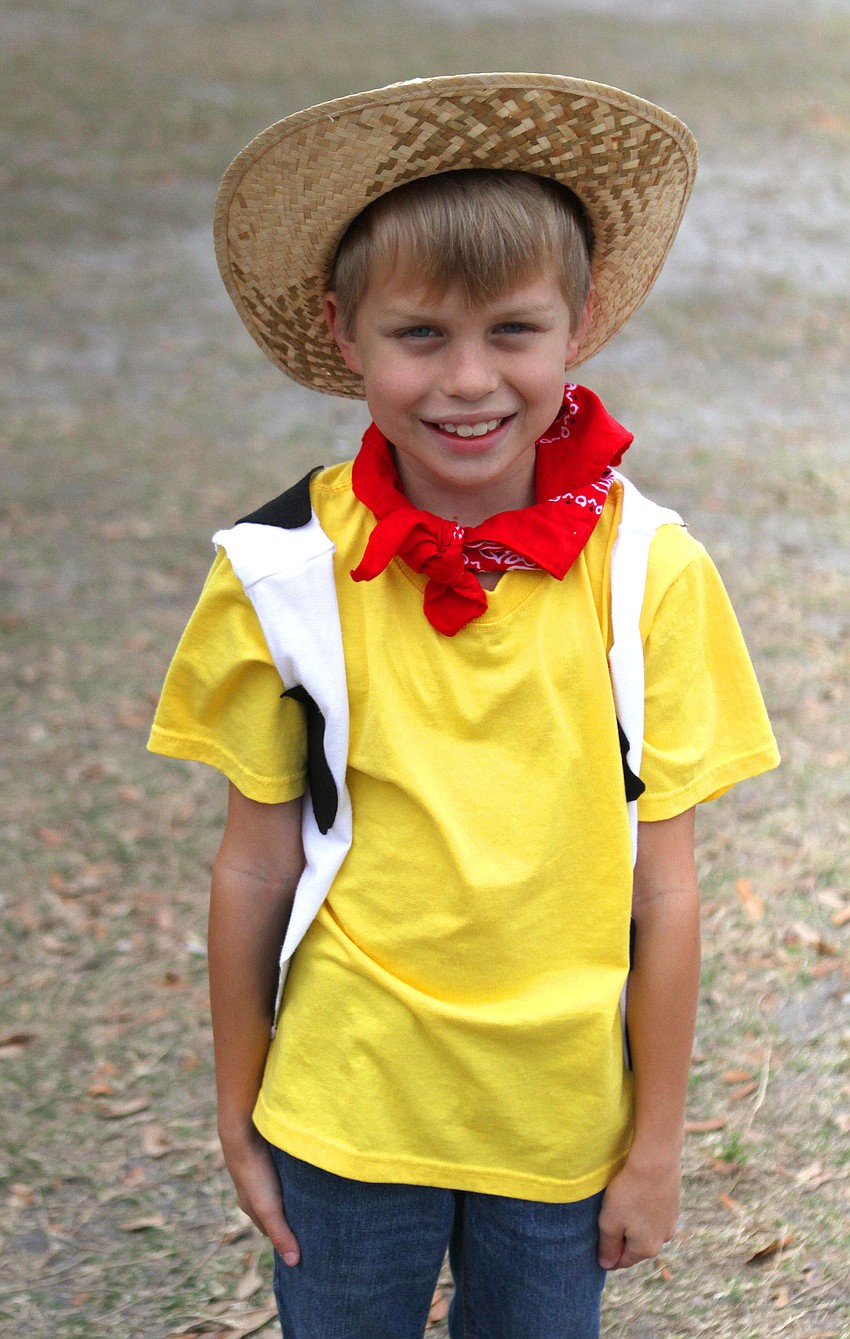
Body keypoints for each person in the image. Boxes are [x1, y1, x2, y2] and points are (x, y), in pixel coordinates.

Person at [148, 74, 780, 1338]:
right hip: (345, 1100)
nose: (469, 380)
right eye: (419, 335)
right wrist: (237, 1105)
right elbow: (251, 865)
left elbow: (666, 890)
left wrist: (655, 1142)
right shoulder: (278, 567)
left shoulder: (652, 571)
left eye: (513, 330)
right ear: (344, 332)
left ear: (579, 324)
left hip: (558, 1117)